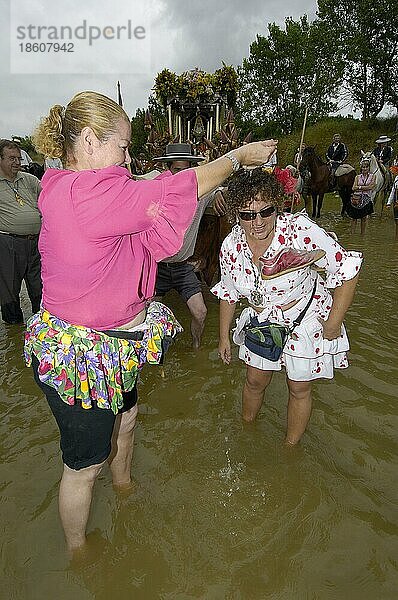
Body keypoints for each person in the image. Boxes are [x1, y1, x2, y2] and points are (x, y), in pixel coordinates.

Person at [25, 91, 277, 553]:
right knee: (83, 466)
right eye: (122, 146)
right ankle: (79, 553)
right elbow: (174, 190)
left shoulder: (63, 183)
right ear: (87, 141)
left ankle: (123, 487)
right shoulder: (89, 193)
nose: (128, 157)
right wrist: (238, 157)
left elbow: (146, 195)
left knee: (129, 417)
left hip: (114, 343)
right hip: (83, 357)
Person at [212, 167, 362, 445]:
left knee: (299, 387)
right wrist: (223, 337)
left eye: (266, 212)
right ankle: (246, 433)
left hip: (303, 317)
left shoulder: (299, 231)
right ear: (236, 214)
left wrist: (333, 323)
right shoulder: (230, 246)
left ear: (277, 206)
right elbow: (228, 292)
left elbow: (346, 269)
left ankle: (290, 449)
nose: (257, 222)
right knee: (255, 381)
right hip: (263, 320)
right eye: (247, 215)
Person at [153, 143, 222, 348]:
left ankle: (196, 345)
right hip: (158, 268)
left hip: (183, 267)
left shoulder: (200, 194)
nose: (181, 176)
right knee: (149, 314)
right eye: (176, 170)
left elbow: (220, 187)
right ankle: (156, 354)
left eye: (185, 170)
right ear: (169, 169)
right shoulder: (156, 192)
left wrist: (218, 192)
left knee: (200, 312)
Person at [0, 139, 42, 324]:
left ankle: (42, 325)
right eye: (11, 158)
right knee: (9, 290)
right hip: (8, 244)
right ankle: (14, 330)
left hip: (36, 242)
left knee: (39, 286)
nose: (17, 162)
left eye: (18, 158)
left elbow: (48, 199)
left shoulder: (30, 179)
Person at [346, 158, 376, 235]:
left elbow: (371, 187)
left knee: (364, 218)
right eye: (363, 167)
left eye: (366, 167)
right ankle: (351, 234)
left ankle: (362, 235)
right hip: (357, 198)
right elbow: (353, 188)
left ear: (369, 168)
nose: (364, 169)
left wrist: (359, 187)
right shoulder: (357, 177)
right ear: (361, 168)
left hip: (366, 198)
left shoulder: (373, 176)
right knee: (353, 218)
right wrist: (363, 187)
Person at [386, 173, 398, 239]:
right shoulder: (396, 178)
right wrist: (389, 203)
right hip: (396, 203)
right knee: (396, 222)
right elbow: (393, 191)